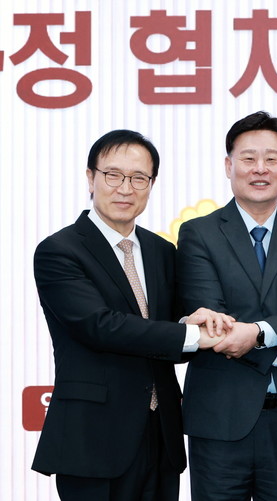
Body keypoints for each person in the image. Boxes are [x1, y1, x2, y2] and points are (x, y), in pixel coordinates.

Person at [31, 129, 230, 501]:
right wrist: (190, 335)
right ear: (90, 178)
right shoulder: (59, 250)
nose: (125, 188)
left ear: (151, 185)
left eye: (139, 178)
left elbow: (170, 333)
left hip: (161, 436)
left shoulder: (161, 251)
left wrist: (193, 324)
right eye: (113, 175)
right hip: (93, 440)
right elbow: (99, 326)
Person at [176, 111, 277, 500]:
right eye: (248, 158)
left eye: (271, 158)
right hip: (219, 417)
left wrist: (258, 333)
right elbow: (211, 321)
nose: (260, 168)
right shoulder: (199, 233)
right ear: (228, 166)